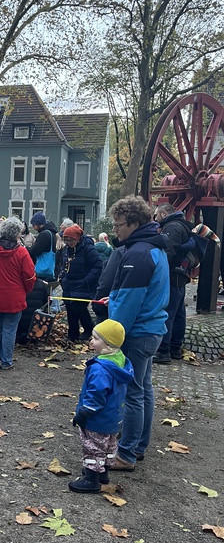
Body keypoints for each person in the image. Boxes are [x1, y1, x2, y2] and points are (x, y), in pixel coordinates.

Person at [105, 196, 169, 471]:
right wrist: (115, 298)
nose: (116, 230)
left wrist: (111, 334)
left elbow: (131, 302)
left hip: (138, 331)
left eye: (119, 224)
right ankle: (138, 445)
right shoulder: (154, 248)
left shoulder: (138, 254)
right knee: (143, 389)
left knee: (132, 392)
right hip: (151, 328)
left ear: (133, 223)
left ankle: (127, 453)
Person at [68, 320, 134, 493]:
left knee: (93, 446)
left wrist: (84, 412)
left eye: (96, 339)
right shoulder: (121, 361)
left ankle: (91, 479)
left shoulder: (100, 369)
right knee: (109, 444)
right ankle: (103, 473)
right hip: (114, 415)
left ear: (107, 345)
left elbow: (96, 395)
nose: (91, 341)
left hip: (98, 417)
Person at [0, 217, 36, 369]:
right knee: (10, 329)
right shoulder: (22, 253)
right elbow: (29, 276)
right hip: (14, 297)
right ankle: (6, 361)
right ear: (18, 233)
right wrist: (25, 291)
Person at [152, 203, 192, 363]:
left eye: (156, 215)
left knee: (168, 313)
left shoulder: (172, 228)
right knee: (179, 313)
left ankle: (164, 351)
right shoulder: (182, 225)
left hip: (172, 276)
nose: (155, 219)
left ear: (163, 213)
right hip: (180, 276)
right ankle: (175, 348)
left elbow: (168, 252)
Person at [60, 224, 102, 341]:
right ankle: (73, 334)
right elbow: (63, 264)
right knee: (69, 308)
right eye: (66, 240)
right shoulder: (66, 250)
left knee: (79, 308)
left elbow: (98, 265)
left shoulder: (88, 249)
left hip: (82, 284)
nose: (69, 242)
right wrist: (62, 277)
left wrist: (87, 280)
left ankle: (89, 329)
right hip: (69, 284)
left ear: (77, 239)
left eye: (71, 240)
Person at [27, 212, 59, 280]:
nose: (33, 227)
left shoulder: (44, 234)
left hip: (42, 271)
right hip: (50, 268)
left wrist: (25, 248)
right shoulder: (51, 233)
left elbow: (35, 251)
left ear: (38, 224)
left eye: (34, 225)